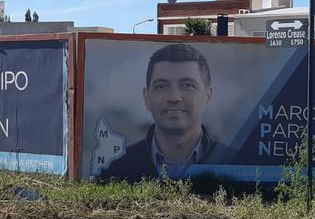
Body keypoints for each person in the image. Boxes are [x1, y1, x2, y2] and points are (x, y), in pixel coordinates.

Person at [99, 43, 235, 180]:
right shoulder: (117, 172)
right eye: (161, 86)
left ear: (208, 96)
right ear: (147, 97)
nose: (174, 98)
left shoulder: (234, 162)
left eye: (187, 85)